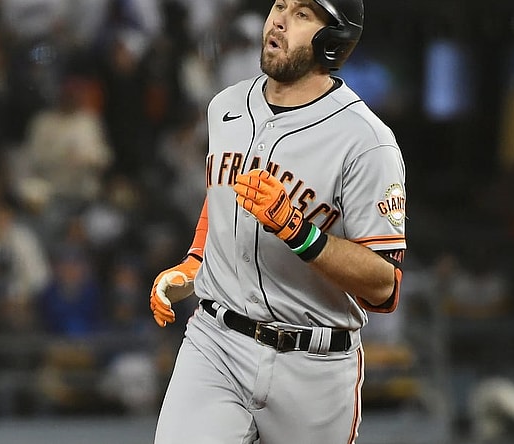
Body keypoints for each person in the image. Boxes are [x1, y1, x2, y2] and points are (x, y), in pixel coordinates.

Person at [148, 0, 407, 442]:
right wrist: (194, 264)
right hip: (216, 343)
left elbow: (384, 286)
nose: (280, 20)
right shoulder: (225, 106)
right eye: (280, 5)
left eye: (303, 14)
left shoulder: (366, 142)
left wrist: (298, 231)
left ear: (334, 39)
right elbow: (222, 200)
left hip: (314, 366)